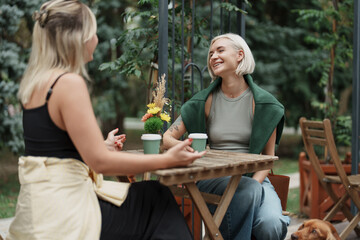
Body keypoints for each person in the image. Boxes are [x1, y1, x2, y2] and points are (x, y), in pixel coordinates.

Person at [7, 1, 205, 239]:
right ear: (78, 37)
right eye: (93, 32)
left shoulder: (35, 85)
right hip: (67, 216)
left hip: (40, 210)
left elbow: (53, 151)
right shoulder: (68, 83)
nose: (97, 39)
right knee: (157, 197)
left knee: (150, 196)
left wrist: (101, 146)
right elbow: (100, 163)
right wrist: (165, 160)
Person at [163, 33, 290, 240]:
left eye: (220, 50)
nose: (213, 57)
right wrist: (183, 146)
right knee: (246, 191)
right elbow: (167, 137)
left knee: (271, 224)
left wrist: (253, 190)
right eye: (211, 53)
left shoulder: (266, 105)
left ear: (240, 55)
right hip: (213, 177)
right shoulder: (204, 101)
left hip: (255, 178)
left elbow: (267, 159)